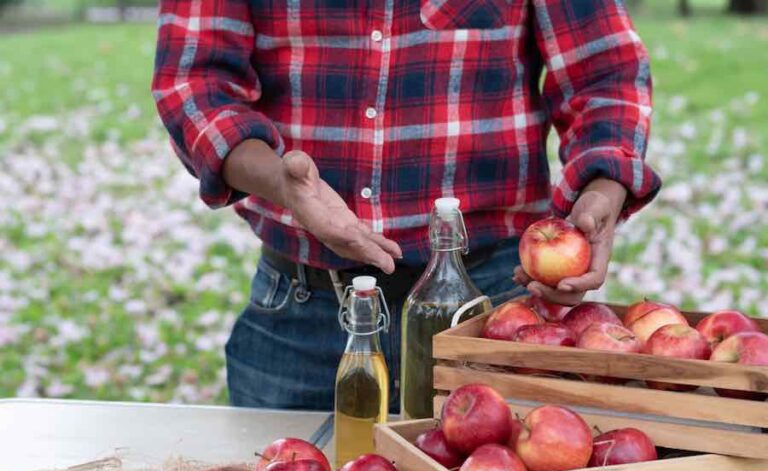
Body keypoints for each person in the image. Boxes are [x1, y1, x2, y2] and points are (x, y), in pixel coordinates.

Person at [152, 0, 661, 411]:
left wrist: (602, 190)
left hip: (490, 309)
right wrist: (284, 186)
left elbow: (605, 75)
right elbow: (195, 84)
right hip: (302, 314)